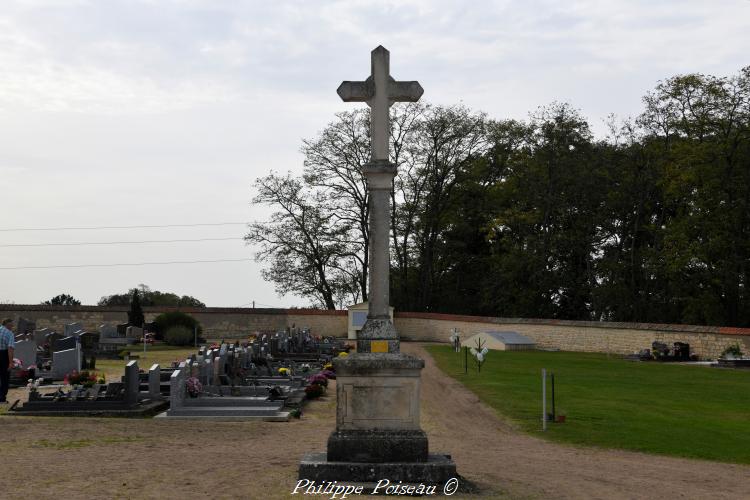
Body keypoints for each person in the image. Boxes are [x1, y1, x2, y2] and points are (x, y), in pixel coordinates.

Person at [0, 318, 15, 404]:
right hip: (4, 355)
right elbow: (10, 348)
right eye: (11, 324)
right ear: (7, 324)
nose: (12, 326)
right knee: (4, 377)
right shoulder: (10, 334)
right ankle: (1, 398)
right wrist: (10, 362)